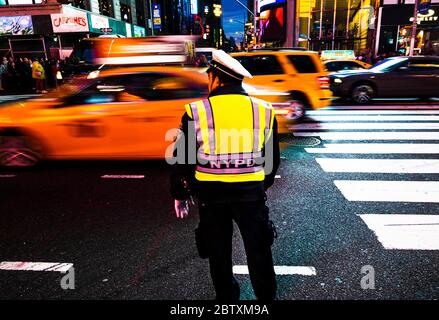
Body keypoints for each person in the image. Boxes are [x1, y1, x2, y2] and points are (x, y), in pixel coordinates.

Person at [170, 50, 280, 301]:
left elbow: (182, 158)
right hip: (250, 194)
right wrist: (261, 184)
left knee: (219, 253)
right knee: (259, 249)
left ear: (216, 79)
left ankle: (227, 299)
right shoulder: (264, 109)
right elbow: (271, 160)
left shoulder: (196, 111)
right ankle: (266, 298)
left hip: (211, 196)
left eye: (209, 76)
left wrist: (180, 193)